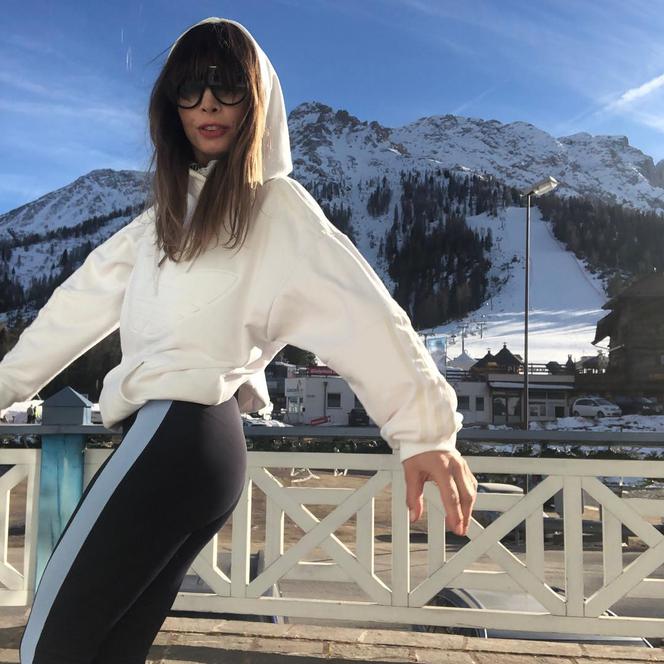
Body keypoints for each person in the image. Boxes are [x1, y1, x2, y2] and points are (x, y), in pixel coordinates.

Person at [0, 17, 478, 664]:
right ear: (169, 105)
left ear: (257, 101)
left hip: (177, 435)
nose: (207, 105)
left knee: (48, 645)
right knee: (108, 649)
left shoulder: (276, 209)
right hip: (187, 448)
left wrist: (425, 432)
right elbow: (73, 310)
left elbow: (365, 313)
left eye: (226, 87)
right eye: (189, 89)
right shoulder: (162, 221)